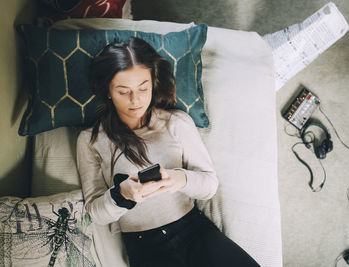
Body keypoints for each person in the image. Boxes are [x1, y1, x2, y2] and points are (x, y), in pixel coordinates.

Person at [76, 37, 260, 267]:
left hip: (193, 231)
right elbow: (95, 212)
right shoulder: (90, 140)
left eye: (143, 88)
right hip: (145, 248)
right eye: (124, 92)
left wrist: (179, 179)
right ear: (108, 91)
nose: (136, 99)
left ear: (153, 82)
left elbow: (209, 185)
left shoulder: (176, 123)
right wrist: (121, 195)